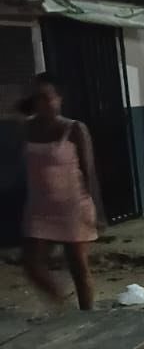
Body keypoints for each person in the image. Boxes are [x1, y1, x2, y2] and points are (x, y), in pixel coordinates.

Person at [19, 73, 102, 310]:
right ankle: (62, 306)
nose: (43, 103)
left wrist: (99, 210)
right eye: (38, 98)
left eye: (48, 98)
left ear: (59, 99)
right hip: (39, 207)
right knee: (31, 264)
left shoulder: (74, 129)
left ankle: (88, 316)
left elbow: (89, 171)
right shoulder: (26, 128)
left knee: (78, 265)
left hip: (73, 205)